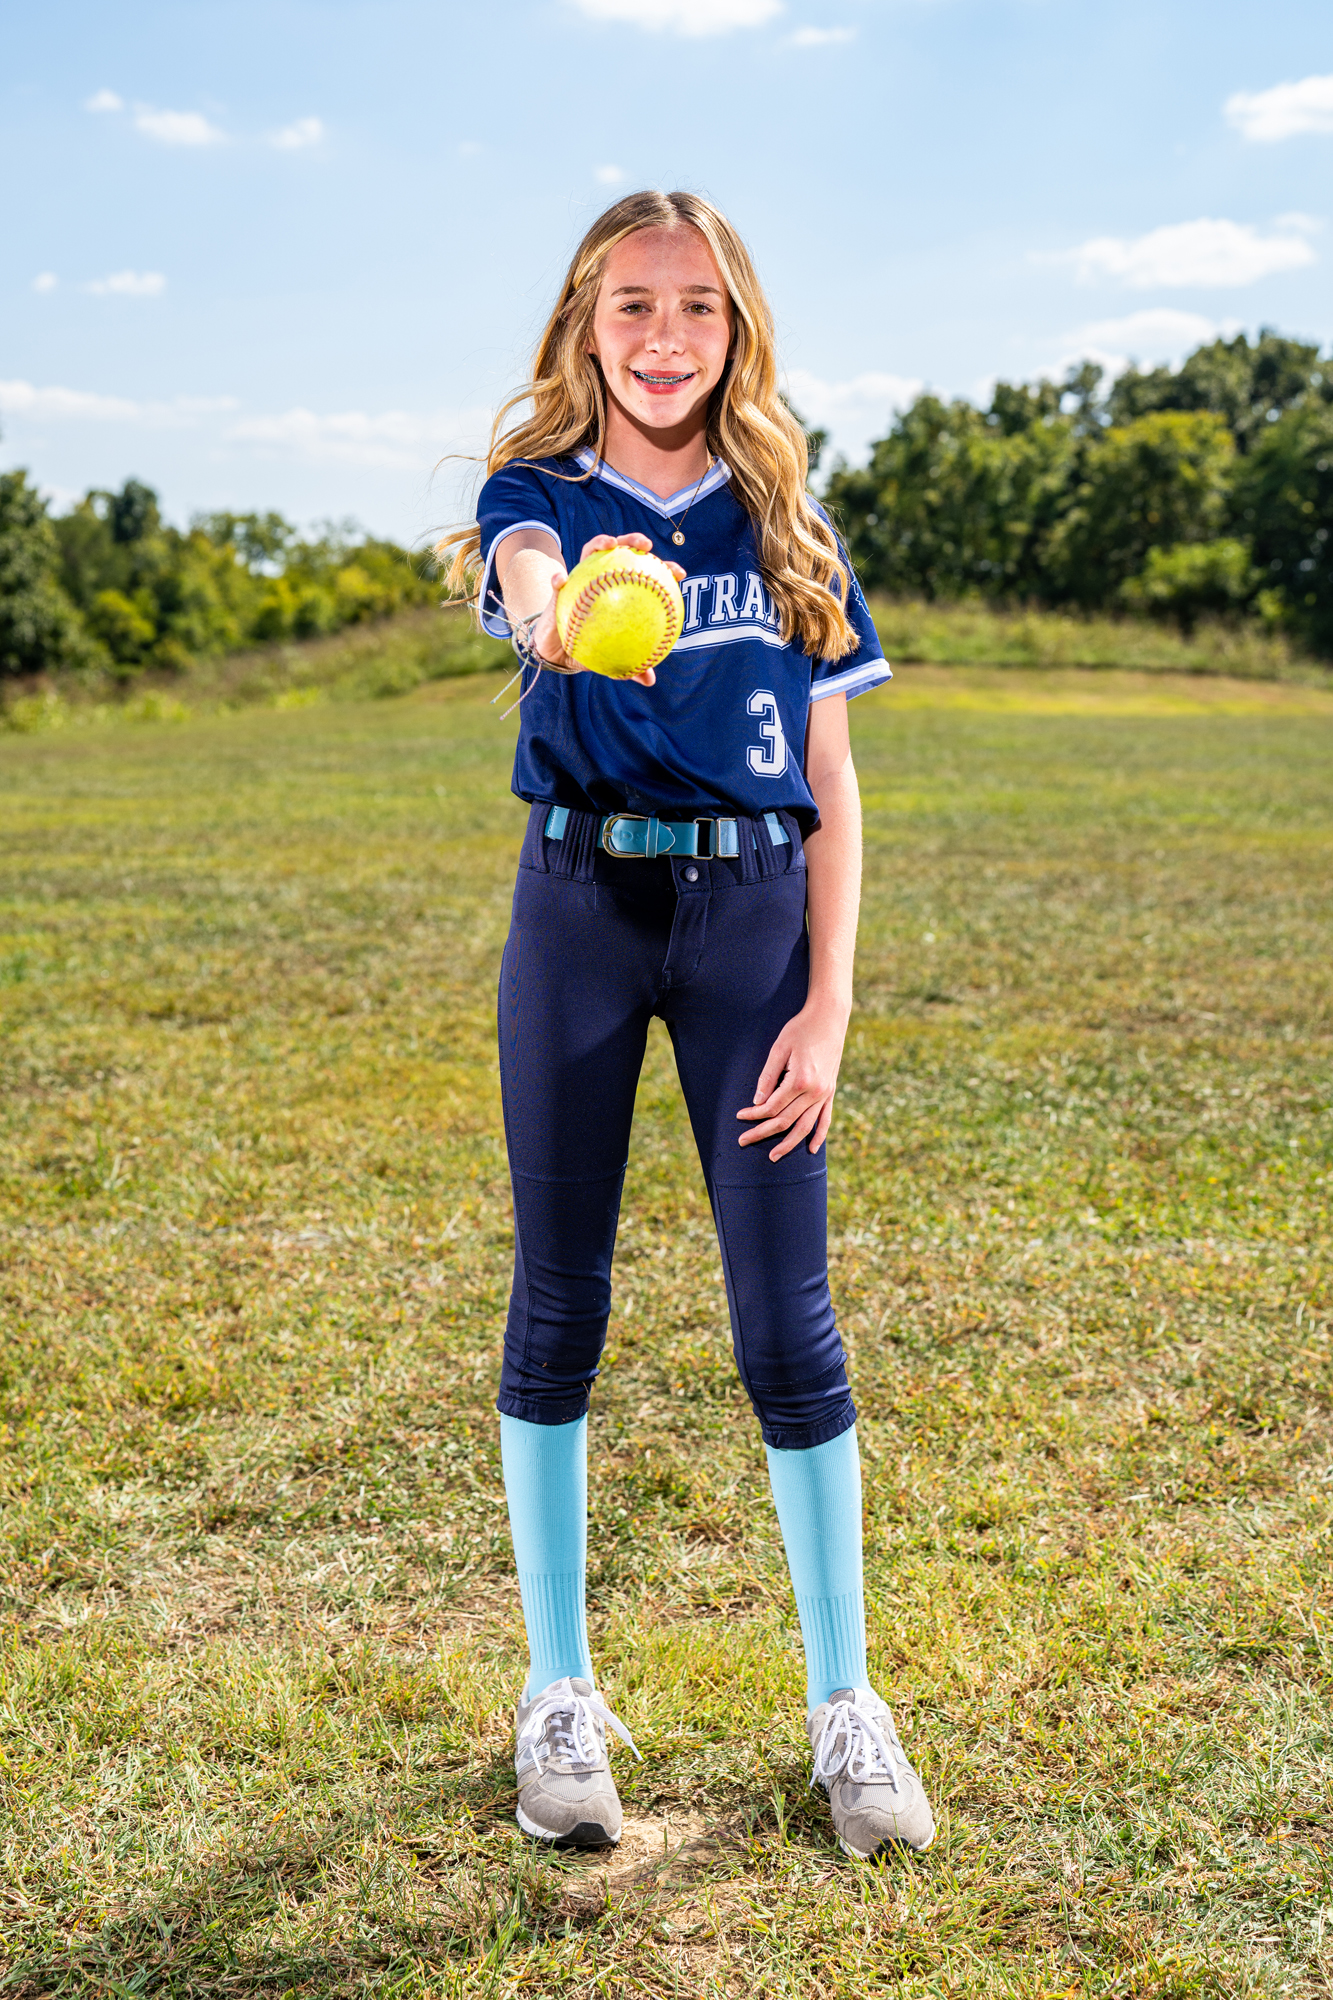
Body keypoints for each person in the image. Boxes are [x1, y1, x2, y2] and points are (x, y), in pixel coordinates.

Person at [441, 189, 934, 1861]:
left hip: (751, 927)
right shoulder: (543, 498)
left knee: (786, 1323)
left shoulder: (788, 514)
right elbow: (527, 588)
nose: (666, 335)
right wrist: (563, 610)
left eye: (698, 306)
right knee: (558, 1299)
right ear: (587, 325)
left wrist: (829, 1005)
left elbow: (833, 782)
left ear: (739, 329)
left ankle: (845, 1702)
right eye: (634, 305)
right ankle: (558, 1694)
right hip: (578, 911)